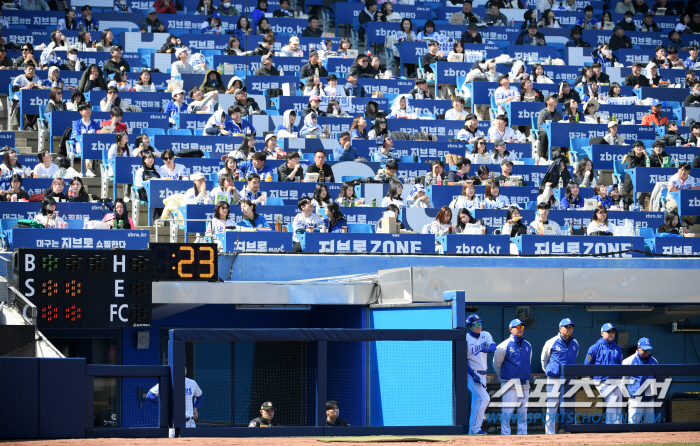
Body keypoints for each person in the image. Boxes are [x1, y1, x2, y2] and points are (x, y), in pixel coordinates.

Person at [493, 318, 531, 436]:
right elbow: (496, 364)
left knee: (523, 412)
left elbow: (528, 361)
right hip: (510, 383)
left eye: (522, 327)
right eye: (517, 327)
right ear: (511, 329)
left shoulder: (528, 345)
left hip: (524, 383)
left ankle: (522, 435)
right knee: (507, 412)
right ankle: (505, 435)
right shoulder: (504, 345)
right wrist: (504, 377)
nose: (520, 329)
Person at [541, 318, 579, 435]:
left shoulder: (575, 343)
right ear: (560, 328)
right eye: (566, 327)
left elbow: (574, 357)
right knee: (552, 406)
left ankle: (568, 430)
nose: (569, 329)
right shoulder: (551, 342)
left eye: (570, 327)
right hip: (554, 379)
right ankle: (550, 433)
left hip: (568, 379)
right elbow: (544, 360)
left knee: (569, 406)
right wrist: (551, 372)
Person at [584, 323, 623, 424]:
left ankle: (617, 426)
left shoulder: (617, 348)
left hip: (616, 381)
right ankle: (610, 426)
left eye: (613, 331)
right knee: (612, 399)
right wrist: (595, 378)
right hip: (602, 381)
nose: (611, 333)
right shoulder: (594, 347)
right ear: (602, 333)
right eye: (608, 331)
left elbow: (620, 365)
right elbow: (587, 365)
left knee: (618, 402)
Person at [465, 314, 496, 436]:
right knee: (485, 398)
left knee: (476, 404)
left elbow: (493, 346)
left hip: (483, 374)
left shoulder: (485, 334)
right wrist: (473, 375)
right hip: (471, 375)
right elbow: (463, 361)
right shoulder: (466, 339)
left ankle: (471, 434)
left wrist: (488, 349)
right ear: (469, 326)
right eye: (476, 324)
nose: (479, 326)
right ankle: (476, 429)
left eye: (480, 323)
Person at [622, 338, 659, 424]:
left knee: (650, 427)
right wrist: (628, 397)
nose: (647, 351)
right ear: (638, 348)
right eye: (644, 349)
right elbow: (623, 381)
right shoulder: (628, 361)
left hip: (649, 399)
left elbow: (656, 380)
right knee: (633, 426)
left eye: (648, 349)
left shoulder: (654, 361)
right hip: (635, 400)